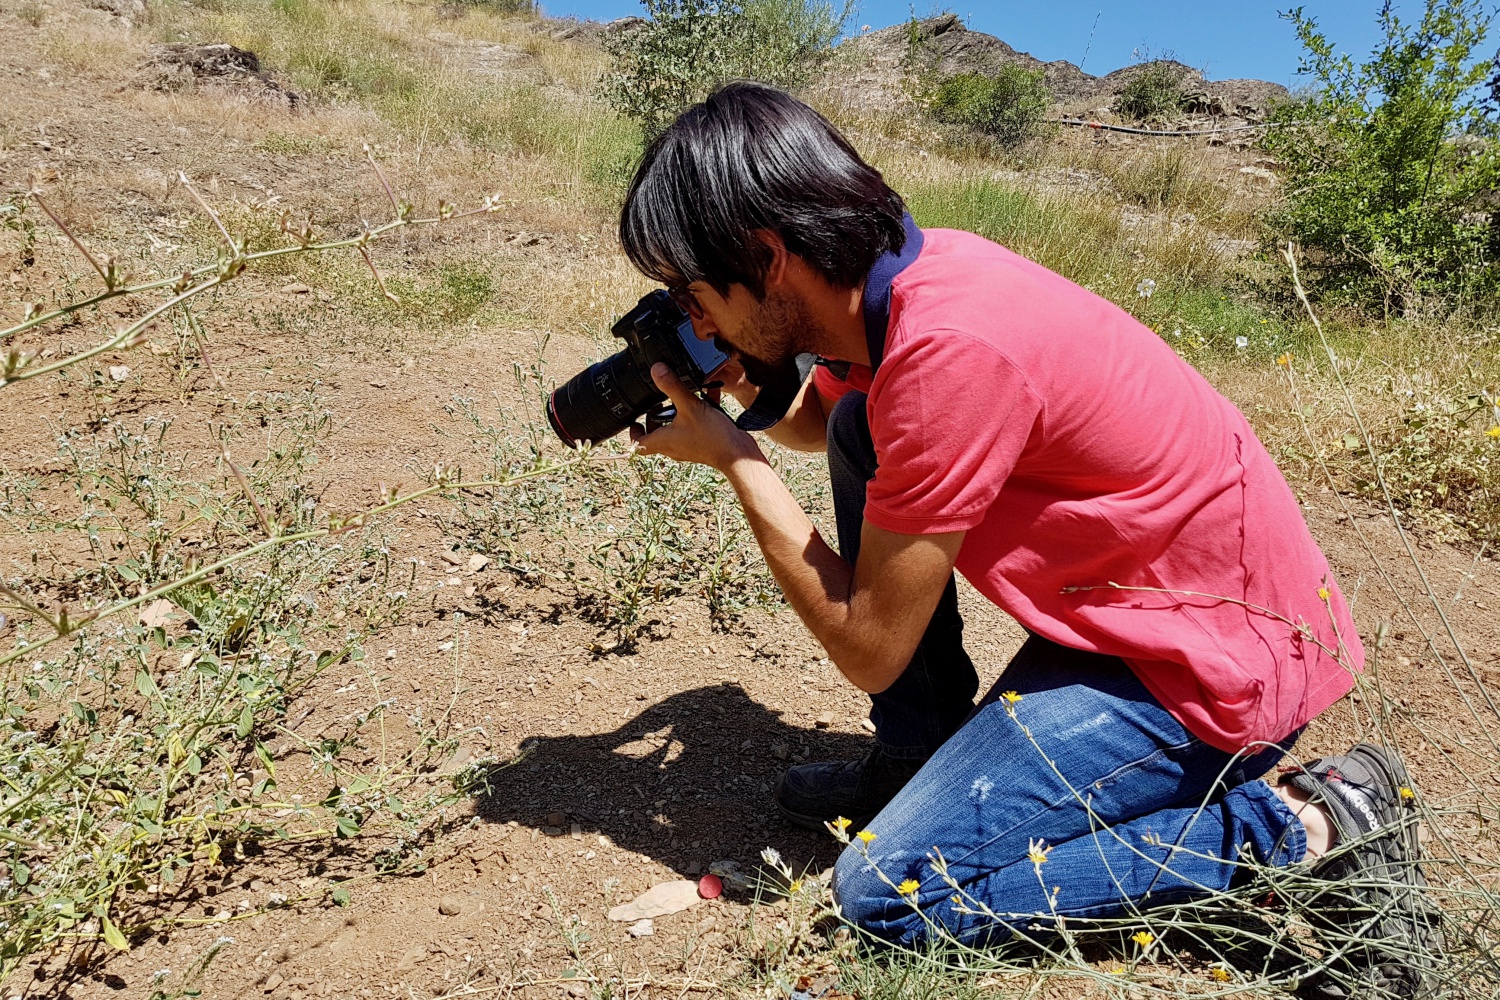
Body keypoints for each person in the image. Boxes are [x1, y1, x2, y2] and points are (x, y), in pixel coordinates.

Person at [619, 81, 1438, 993]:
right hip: (1155, 623)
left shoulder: (951, 353)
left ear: (769, 257)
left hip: (1208, 672)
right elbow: (820, 429)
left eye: (695, 296)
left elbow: (870, 646)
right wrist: (744, 381)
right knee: (859, 432)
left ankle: (1307, 824)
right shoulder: (914, 281)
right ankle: (913, 754)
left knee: (889, 892)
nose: (695, 323)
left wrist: (738, 463)